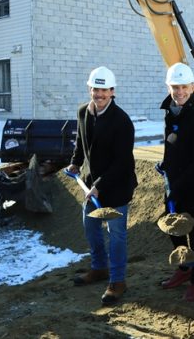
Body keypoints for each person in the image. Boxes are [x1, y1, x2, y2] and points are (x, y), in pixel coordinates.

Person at [67, 66, 138, 305]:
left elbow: (123, 162)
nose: (99, 94)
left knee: (116, 235)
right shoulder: (83, 112)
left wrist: (100, 185)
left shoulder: (122, 121)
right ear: (90, 89)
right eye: (95, 90)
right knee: (91, 227)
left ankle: (117, 281)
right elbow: (81, 142)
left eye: (104, 90)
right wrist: (76, 162)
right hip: (93, 185)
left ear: (112, 91)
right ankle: (99, 268)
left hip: (117, 186)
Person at [158, 63, 194, 302]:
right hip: (174, 181)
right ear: (168, 86)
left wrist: (177, 189)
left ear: (192, 87)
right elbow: (172, 143)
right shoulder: (171, 111)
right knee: (173, 226)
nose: (179, 91)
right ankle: (184, 268)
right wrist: (165, 163)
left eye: (184, 87)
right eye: (175, 87)